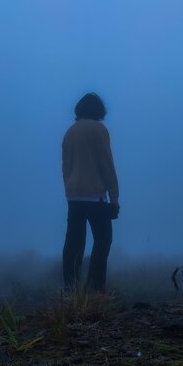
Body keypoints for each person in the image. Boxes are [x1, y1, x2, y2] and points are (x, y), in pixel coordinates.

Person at [62, 92, 119, 292]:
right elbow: (106, 164)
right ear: (99, 110)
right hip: (95, 196)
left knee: (74, 244)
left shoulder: (70, 132)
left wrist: (68, 190)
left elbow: (65, 166)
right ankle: (95, 288)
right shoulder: (99, 130)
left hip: (73, 195)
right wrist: (114, 198)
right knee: (103, 241)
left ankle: (70, 288)